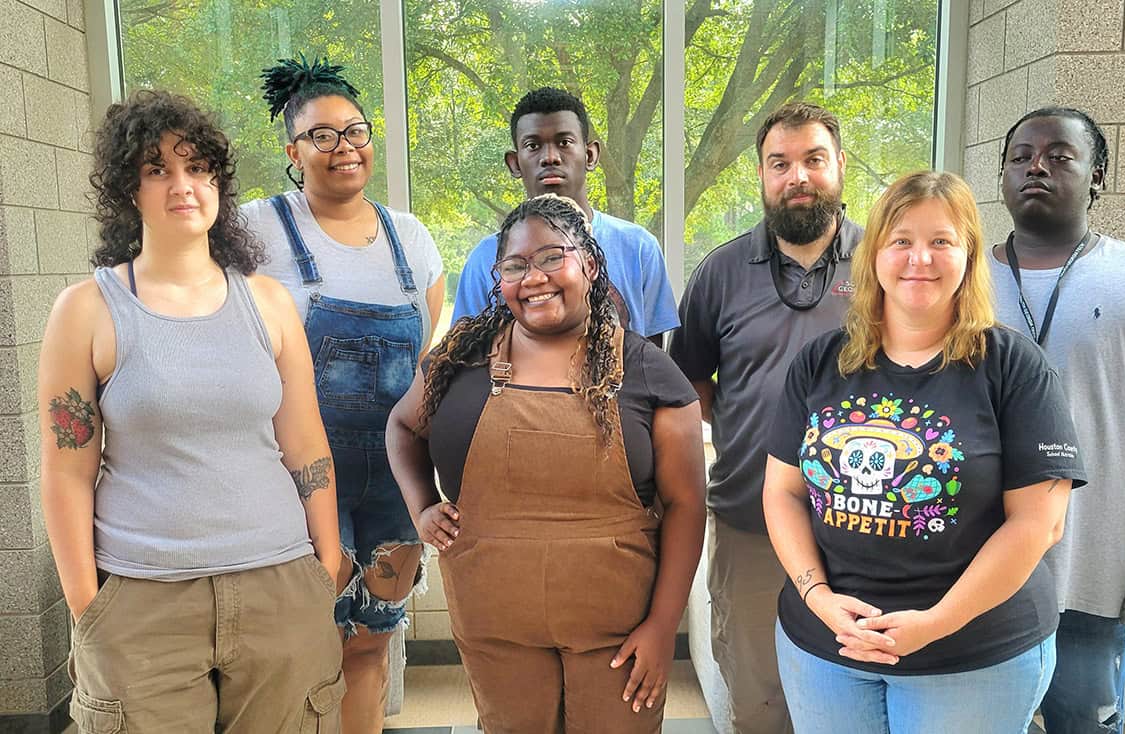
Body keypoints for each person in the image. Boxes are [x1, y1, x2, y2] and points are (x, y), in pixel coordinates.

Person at [38, 90, 343, 731]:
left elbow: (306, 444)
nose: (183, 185)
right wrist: (86, 604)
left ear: (218, 183)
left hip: (279, 584)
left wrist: (327, 564)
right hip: (142, 600)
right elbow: (66, 472)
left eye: (197, 166)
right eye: (158, 170)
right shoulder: (86, 311)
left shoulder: (268, 303)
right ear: (129, 188)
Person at [763, 170, 1088, 733]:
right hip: (826, 648)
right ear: (874, 256)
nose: (921, 258)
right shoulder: (821, 362)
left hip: (970, 656)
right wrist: (817, 598)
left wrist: (938, 622)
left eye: (941, 241)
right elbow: (783, 492)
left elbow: (1040, 524)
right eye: (901, 241)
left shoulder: (1014, 368)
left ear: (968, 255)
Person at [386, 194, 706, 733]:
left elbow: (686, 505)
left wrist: (661, 627)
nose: (533, 277)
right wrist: (422, 506)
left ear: (590, 263)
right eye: (515, 265)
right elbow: (401, 427)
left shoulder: (645, 370)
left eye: (552, 258)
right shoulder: (461, 358)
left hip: (619, 636)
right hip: (495, 626)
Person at [241, 55, 445, 733]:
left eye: (354, 132)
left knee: (372, 641)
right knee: (307, 647)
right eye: (321, 137)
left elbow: (423, 358)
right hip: (296, 479)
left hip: (393, 479)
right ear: (293, 151)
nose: (343, 149)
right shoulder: (253, 231)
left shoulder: (410, 239)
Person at [990, 107, 1125, 733]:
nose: (1036, 167)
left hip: (1093, 579)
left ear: (1098, 177)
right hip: (973, 580)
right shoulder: (958, 281)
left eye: (1060, 156)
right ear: (1001, 176)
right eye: (1021, 155)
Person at [667, 101, 862, 733]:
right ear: (760, 175)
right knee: (756, 697)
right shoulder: (720, 272)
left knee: (851, 696)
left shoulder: (885, 263)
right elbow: (690, 377)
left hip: (861, 531)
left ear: (839, 169)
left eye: (814, 159)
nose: (797, 176)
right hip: (750, 518)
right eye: (780, 163)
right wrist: (744, 431)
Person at [451, 87, 678, 344]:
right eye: (533, 145)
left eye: (564, 142)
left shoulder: (638, 247)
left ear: (590, 155)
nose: (550, 157)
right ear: (515, 163)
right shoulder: (486, 258)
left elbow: (652, 360)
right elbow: (465, 356)